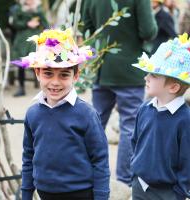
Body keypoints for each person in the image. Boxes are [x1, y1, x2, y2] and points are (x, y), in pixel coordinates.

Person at [11, 28, 110, 200]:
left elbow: (100, 160)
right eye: (48, 73)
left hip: (80, 194)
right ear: (37, 73)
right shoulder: (33, 114)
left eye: (64, 75)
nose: (55, 82)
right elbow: (28, 156)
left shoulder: (86, 114)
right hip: (44, 194)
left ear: (76, 76)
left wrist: (101, 196)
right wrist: (26, 193)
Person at [82, 0, 158, 186]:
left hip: (101, 66)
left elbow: (86, 26)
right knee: (129, 126)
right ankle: (123, 181)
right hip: (129, 68)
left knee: (95, 122)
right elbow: (148, 31)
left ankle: (85, 174)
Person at [131, 33, 190, 200]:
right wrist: (134, 174)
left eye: (154, 75)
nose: (146, 77)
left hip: (168, 193)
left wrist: (180, 193)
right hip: (139, 186)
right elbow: (135, 141)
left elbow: (187, 160)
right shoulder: (144, 108)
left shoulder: (185, 120)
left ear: (173, 87)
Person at [10, 0, 48, 96]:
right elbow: (14, 23)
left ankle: (44, 87)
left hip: (33, 39)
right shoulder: (18, 8)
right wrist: (26, 24)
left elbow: (45, 24)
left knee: (36, 63)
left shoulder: (38, 9)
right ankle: (21, 88)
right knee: (21, 64)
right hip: (21, 40)